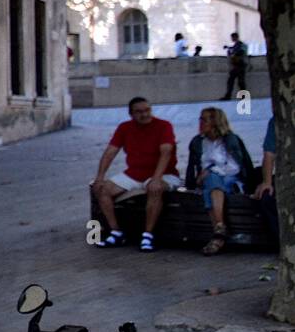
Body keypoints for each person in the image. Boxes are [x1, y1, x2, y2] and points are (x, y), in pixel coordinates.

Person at [92, 97, 182, 251]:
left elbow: (166, 152)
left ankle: (148, 234)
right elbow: (110, 153)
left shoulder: (164, 126)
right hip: (134, 173)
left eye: (147, 110)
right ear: (131, 114)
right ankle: (116, 232)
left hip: (164, 173)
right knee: (102, 189)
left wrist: (156, 178)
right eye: (139, 112)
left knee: (155, 188)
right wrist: (99, 177)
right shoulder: (125, 127)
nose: (144, 114)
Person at [184, 107, 257, 255]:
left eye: (204, 119)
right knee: (210, 183)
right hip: (208, 182)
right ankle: (219, 231)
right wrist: (193, 181)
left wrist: (211, 171)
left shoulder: (229, 139)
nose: (201, 123)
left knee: (211, 181)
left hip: (230, 179)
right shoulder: (198, 142)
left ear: (215, 121)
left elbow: (235, 167)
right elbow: (193, 166)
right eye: (200, 119)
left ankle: (218, 232)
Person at [252, 116, 279, 240]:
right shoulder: (277, 120)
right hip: (287, 176)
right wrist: (267, 182)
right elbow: (269, 153)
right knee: (266, 197)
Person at [223, 33, 249, 99]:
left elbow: (241, 52)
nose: (232, 39)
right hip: (237, 65)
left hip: (240, 65)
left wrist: (232, 53)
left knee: (239, 81)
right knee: (233, 81)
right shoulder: (237, 45)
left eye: (232, 37)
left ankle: (242, 96)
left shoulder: (240, 44)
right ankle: (229, 95)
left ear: (235, 37)